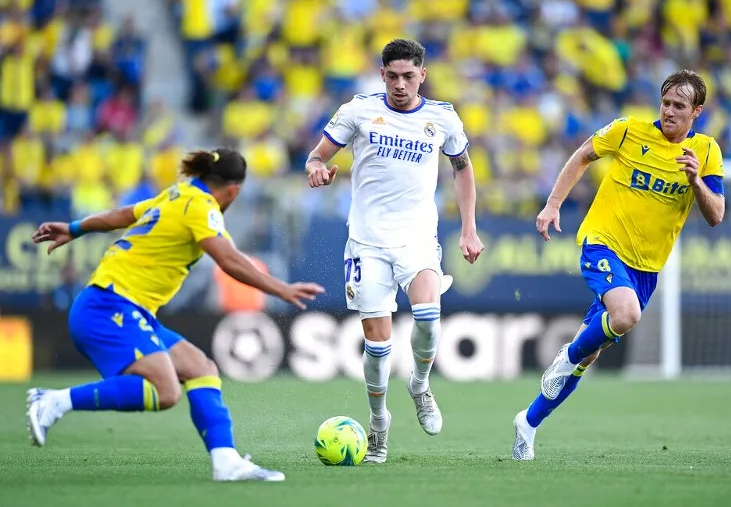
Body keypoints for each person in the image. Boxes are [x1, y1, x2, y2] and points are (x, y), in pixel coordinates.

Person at [26, 148, 324, 482]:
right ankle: (55, 401)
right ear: (234, 190)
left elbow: (123, 215)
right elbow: (228, 260)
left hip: (123, 307)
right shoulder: (201, 207)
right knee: (166, 391)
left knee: (201, 368)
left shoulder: (177, 194)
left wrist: (74, 228)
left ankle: (226, 462)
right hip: (110, 305)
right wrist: (280, 288)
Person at [512, 70, 725, 460]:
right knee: (625, 316)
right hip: (603, 242)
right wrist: (553, 204)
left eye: (679, 106)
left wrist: (696, 182)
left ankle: (528, 421)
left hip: (645, 267)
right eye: (665, 103)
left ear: (697, 111)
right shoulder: (628, 130)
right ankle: (567, 356)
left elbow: (716, 215)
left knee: (590, 354)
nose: (669, 111)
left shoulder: (706, 152)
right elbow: (583, 155)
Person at [305, 38, 484, 463]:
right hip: (366, 242)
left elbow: (462, 169)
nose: (400, 84)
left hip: (418, 238)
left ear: (422, 75)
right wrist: (317, 170)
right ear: (382, 74)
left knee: (428, 317)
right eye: (392, 76)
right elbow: (316, 156)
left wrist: (469, 229)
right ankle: (379, 424)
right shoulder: (358, 111)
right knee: (378, 345)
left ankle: (420, 385)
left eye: (408, 76)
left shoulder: (442, 118)